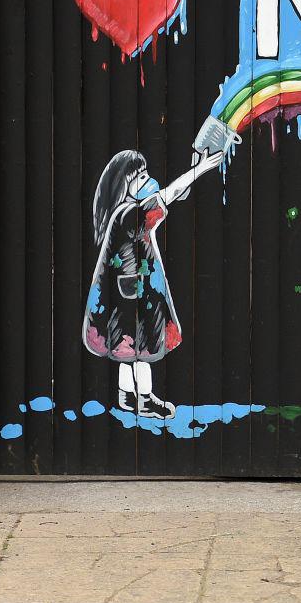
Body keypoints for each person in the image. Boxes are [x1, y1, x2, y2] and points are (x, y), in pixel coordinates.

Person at [81, 148, 223, 418]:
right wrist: (199, 170)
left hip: (128, 292)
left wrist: (193, 169)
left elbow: (169, 198)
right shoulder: (128, 214)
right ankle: (144, 399)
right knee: (141, 348)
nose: (149, 179)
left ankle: (126, 397)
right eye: (141, 175)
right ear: (126, 183)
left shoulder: (126, 212)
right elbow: (166, 196)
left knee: (125, 348)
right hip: (132, 294)